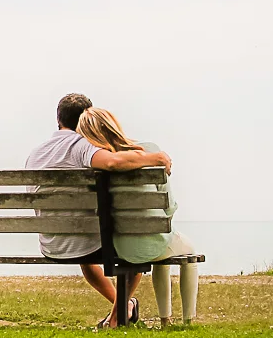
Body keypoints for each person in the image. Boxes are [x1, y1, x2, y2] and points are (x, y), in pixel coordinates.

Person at [26, 93, 172, 326]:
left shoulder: (37, 153)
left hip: (52, 243)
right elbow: (113, 162)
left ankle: (124, 306)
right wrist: (153, 157)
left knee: (94, 250)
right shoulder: (81, 146)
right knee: (133, 242)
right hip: (86, 242)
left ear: (58, 120)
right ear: (87, 120)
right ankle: (116, 318)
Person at [73, 105, 200, 326]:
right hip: (152, 242)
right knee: (186, 250)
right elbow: (168, 208)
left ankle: (165, 318)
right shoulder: (150, 151)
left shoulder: (96, 164)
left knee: (163, 248)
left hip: (119, 246)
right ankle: (186, 320)